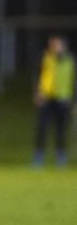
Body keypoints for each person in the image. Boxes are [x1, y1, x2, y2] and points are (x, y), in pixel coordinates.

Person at [33, 34, 75, 166]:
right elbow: (37, 75)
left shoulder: (70, 60)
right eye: (52, 45)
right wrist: (37, 92)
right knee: (42, 128)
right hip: (46, 98)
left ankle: (60, 159)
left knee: (61, 130)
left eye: (56, 44)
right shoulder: (45, 57)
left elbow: (73, 80)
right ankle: (38, 159)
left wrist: (73, 98)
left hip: (63, 99)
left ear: (63, 46)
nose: (54, 47)